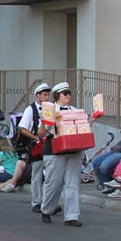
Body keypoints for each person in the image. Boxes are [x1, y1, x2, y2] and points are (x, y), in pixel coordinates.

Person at [38, 82, 89, 226]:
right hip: (54, 150)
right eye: (64, 93)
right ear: (57, 95)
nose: (68, 96)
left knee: (73, 183)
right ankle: (46, 210)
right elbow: (41, 133)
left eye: (69, 93)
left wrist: (91, 121)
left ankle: (72, 216)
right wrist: (44, 122)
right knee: (53, 183)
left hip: (73, 150)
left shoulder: (74, 110)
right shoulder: (50, 109)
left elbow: (82, 128)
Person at [17, 83, 50, 212]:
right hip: (36, 146)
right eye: (44, 95)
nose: (46, 97)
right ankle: (36, 202)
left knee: (51, 175)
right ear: (37, 96)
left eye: (47, 95)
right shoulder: (30, 109)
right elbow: (22, 128)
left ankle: (47, 202)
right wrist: (35, 137)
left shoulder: (51, 109)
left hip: (49, 145)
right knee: (37, 174)